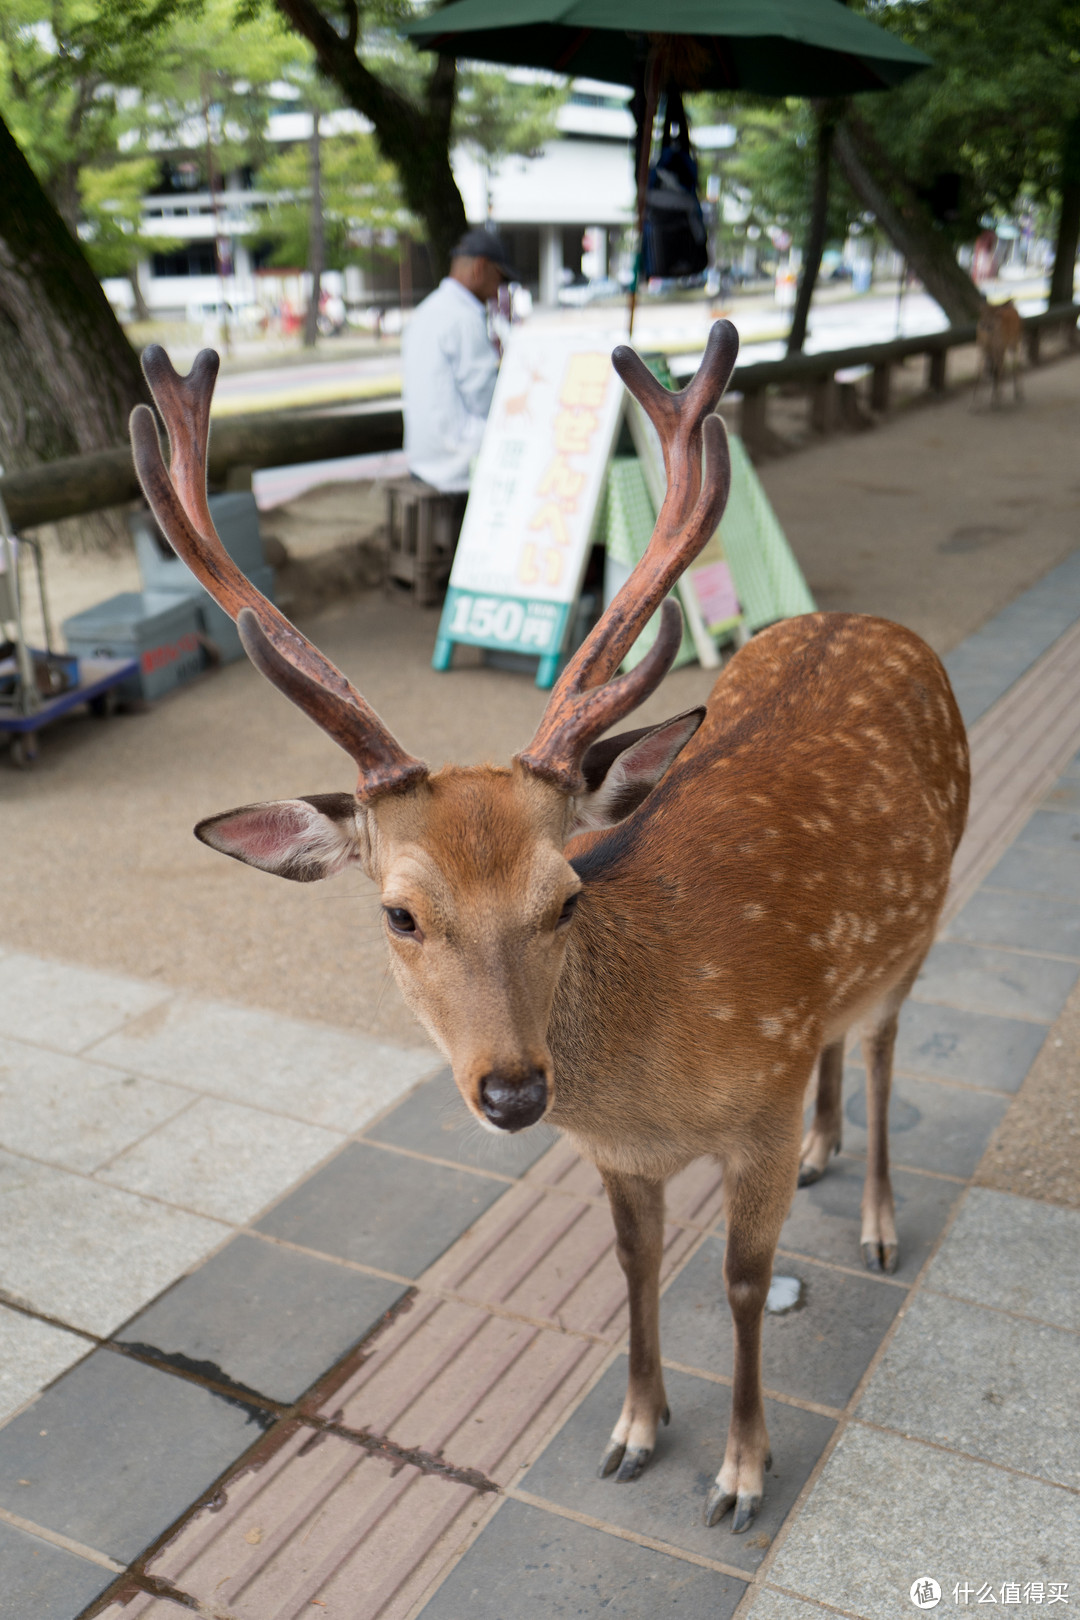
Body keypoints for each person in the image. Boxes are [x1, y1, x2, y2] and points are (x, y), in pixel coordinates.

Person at [401, 227, 516, 493]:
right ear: (481, 267)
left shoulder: (426, 310)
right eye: (500, 279)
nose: (498, 289)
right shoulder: (464, 318)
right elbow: (484, 398)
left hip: (422, 456)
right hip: (457, 461)